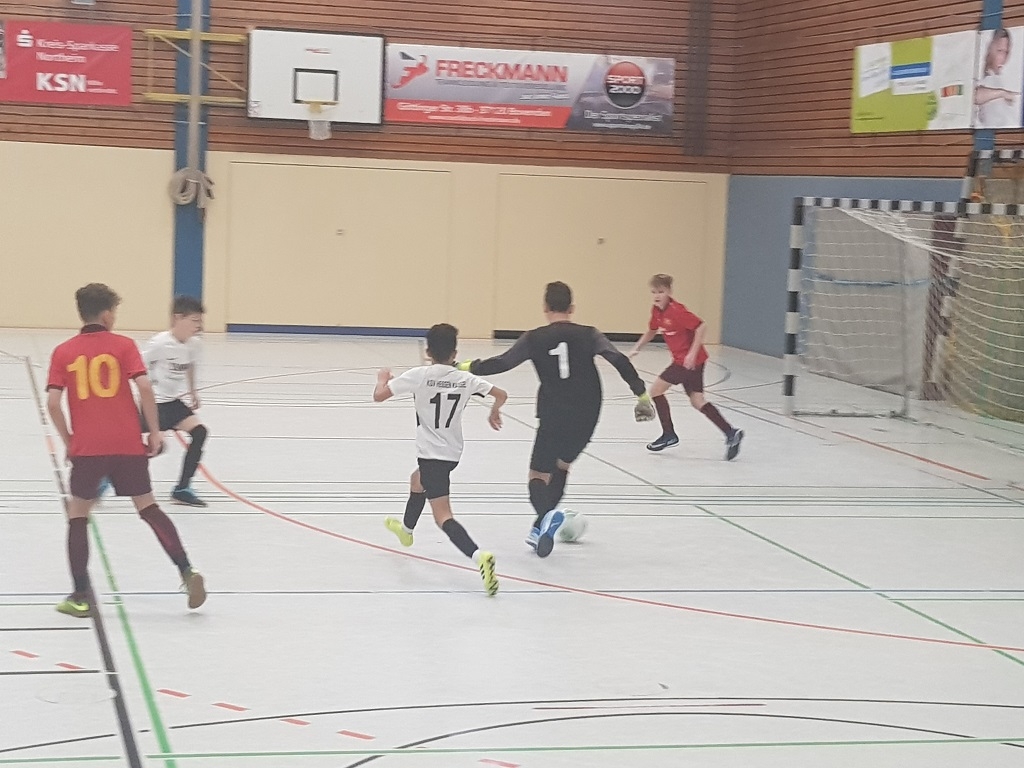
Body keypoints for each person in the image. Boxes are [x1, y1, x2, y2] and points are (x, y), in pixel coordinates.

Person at [458, 282, 654, 558]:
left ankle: (545, 517)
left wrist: (464, 366)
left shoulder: (534, 338)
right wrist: (641, 394)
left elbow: (502, 363)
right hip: (588, 410)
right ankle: (539, 529)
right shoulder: (590, 334)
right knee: (562, 465)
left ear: (545, 308)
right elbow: (618, 359)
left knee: (538, 475)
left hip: (553, 411)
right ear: (571, 308)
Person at [46, 283, 206, 618]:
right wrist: (154, 433)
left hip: (88, 448)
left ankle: (79, 596)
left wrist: (69, 441)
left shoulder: (63, 352)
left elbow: (53, 404)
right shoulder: (124, 345)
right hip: (127, 443)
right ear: (107, 315)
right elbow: (145, 387)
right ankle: (186, 569)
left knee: (78, 515)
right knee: (148, 508)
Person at [374, 323, 506, 596]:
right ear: (454, 353)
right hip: (452, 453)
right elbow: (501, 394)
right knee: (417, 480)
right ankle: (406, 531)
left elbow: (379, 396)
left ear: (428, 352)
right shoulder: (465, 378)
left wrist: (382, 378)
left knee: (443, 517)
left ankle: (478, 556)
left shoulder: (419, 375)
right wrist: (494, 411)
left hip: (431, 455)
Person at [629, 273, 743, 460]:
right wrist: (637, 347)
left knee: (656, 390)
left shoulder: (677, 311)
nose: (657, 296)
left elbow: (701, 327)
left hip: (686, 361)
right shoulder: (657, 311)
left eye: (661, 292)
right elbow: (651, 330)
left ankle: (669, 434)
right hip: (692, 362)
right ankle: (731, 433)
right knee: (697, 400)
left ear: (669, 292)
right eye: (654, 292)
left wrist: (691, 353)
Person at [142, 296, 209, 506]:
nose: (198, 326)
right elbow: (139, 368)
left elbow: (191, 365)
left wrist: (192, 391)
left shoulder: (194, 345)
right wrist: (141, 398)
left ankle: (182, 488)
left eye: (200, 321)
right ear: (177, 318)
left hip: (172, 402)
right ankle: (110, 475)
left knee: (200, 432)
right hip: (154, 404)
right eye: (194, 320)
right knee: (153, 447)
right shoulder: (159, 343)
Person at [975, 29, 1019, 128]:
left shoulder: (1000, 78)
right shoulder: (984, 77)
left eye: (1006, 52)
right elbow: (975, 95)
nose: (1003, 57)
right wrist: (1003, 93)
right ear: (992, 49)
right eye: (999, 51)